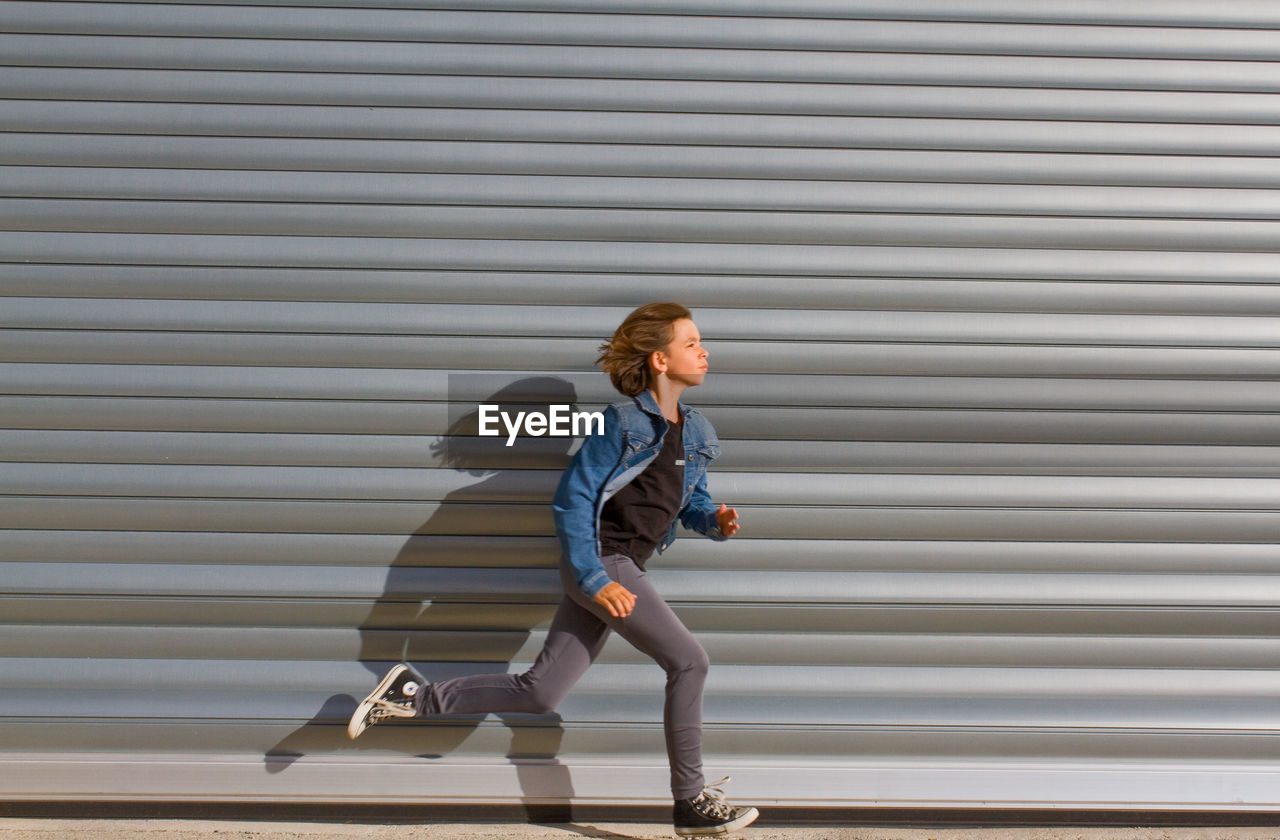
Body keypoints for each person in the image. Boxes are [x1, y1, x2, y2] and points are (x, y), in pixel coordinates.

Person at [348, 302, 759, 836]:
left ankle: (411, 697)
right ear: (660, 360)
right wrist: (595, 580)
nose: (704, 352)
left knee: (540, 693)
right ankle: (690, 800)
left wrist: (715, 519)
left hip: (622, 566)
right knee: (690, 662)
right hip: (603, 562)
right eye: (691, 343)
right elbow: (574, 501)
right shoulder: (622, 422)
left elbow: (690, 499)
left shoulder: (698, 430)